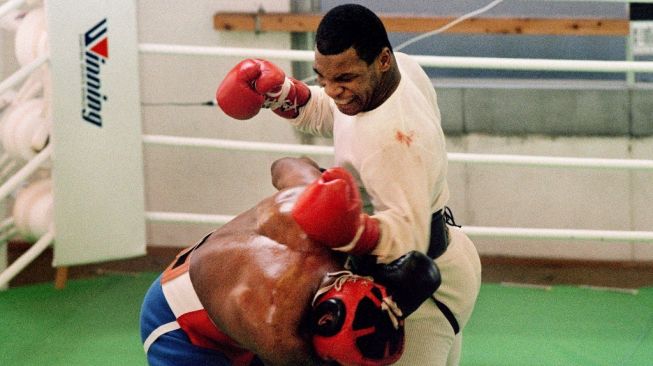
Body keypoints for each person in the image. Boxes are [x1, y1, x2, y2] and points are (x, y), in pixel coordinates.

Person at [216, 4, 482, 365]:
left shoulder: (397, 142)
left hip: (424, 289)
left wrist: (354, 231)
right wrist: (284, 95)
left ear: (382, 60)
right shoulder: (399, 72)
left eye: (345, 79)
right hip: (444, 259)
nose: (333, 90)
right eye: (322, 78)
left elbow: (411, 243)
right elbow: (337, 113)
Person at [139, 157, 441, 366]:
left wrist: (320, 184)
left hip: (221, 277)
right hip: (181, 326)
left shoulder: (315, 217)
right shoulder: (279, 335)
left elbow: (285, 165)